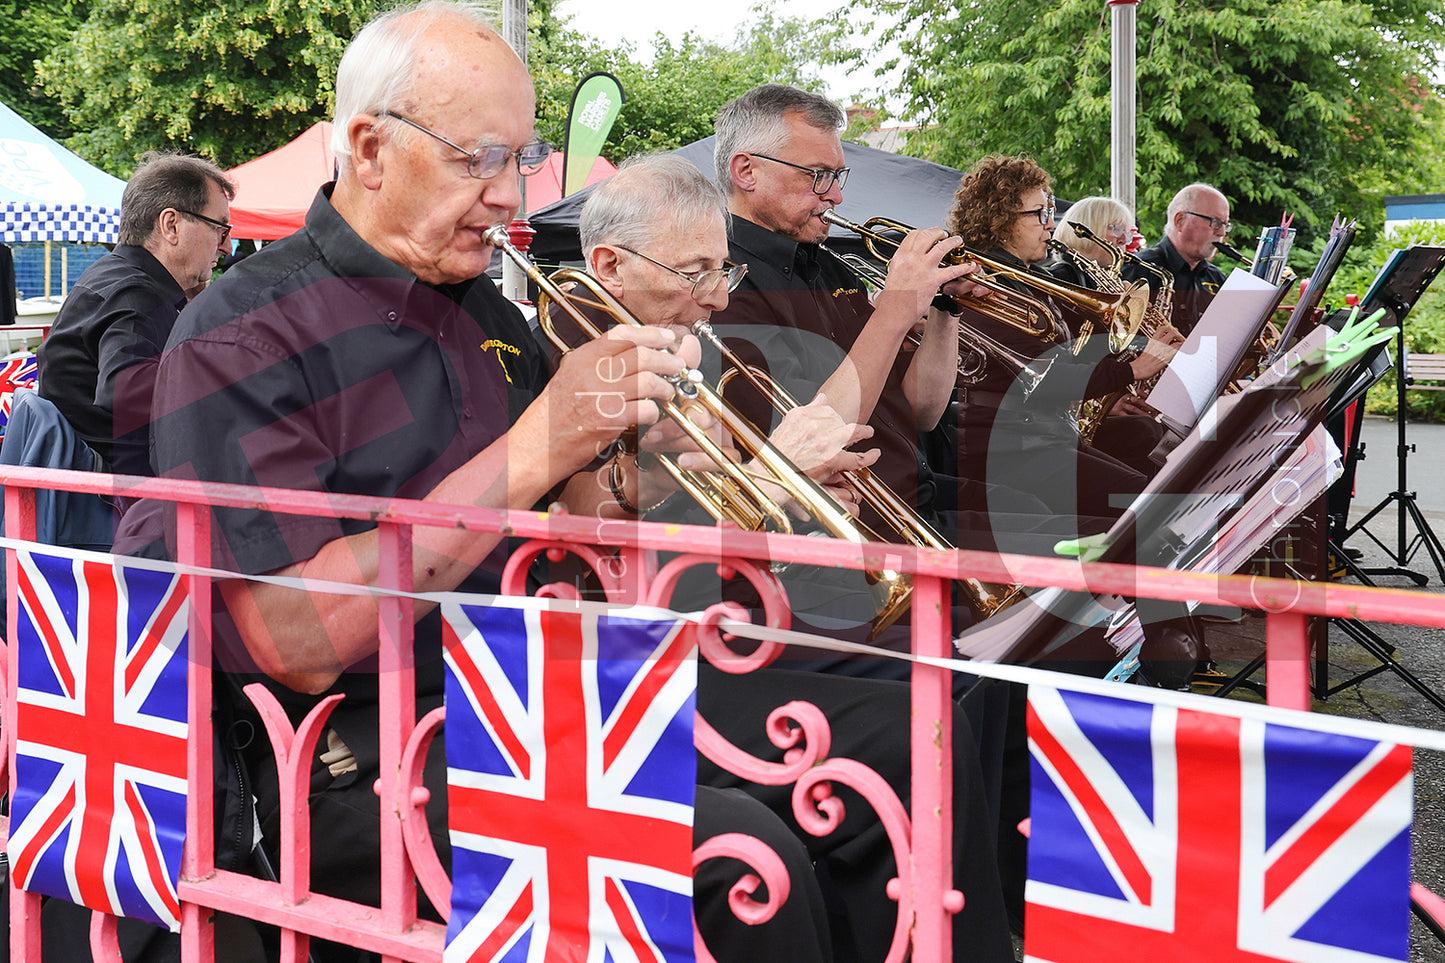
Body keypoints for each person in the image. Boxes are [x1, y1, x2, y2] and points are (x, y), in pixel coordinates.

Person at [111, 4, 834, 961]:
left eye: (522, 160)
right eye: (479, 159)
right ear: (369, 149)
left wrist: (641, 470)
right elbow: (293, 638)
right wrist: (535, 446)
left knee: (841, 793)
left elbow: (561, 519)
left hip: (526, 704)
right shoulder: (243, 328)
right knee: (739, 855)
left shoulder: (489, 308)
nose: (509, 196)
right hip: (352, 763)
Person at [575, 151, 1015, 963]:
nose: (714, 296)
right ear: (608, 266)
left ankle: (962, 931)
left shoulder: (686, 349)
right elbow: (602, 533)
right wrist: (772, 483)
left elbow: (704, 510)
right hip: (664, 646)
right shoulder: (576, 355)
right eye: (694, 272)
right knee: (922, 706)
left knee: (959, 676)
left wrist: (788, 497)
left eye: (723, 272)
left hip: (730, 612)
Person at [939, 154, 1179, 521]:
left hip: (1042, 435)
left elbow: (1062, 361)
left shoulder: (1025, 278)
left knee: (1155, 480)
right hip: (1007, 448)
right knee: (1144, 502)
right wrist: (1133, 371)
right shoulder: (982, 283)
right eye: (1039, 213)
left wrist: (1141, 349)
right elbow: (1041, 377)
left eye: (1050, 210)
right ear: (1000, 219)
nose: (1051, 223)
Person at [37, 151, 234, 477]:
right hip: (120, 500)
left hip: (87, 483)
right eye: (220, 228)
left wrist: (194, 311)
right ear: (171, 225)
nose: (226, 246)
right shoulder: (138, 294)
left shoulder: (112, 274)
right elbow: (126, 393)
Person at [1122, 181, 1230, 335]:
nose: (1222, 233)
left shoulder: (1216, 278)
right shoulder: (1138, 268)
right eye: (1216, 223)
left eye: (1226, 224)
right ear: (1180, 221)